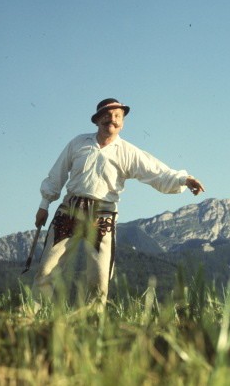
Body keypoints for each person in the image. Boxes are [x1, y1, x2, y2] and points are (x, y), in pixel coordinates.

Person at [32, 98, 205, 309]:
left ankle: (92, 319)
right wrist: (44, 204)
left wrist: (184, 180)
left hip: (102, 215)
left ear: (122, 122)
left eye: (117, 116)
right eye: (107, 115)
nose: (112, 120)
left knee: (100, 274)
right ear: (97, 120)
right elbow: (56, 174)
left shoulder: (127, 151)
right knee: (47, 267)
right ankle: (33, 312)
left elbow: (156, 171)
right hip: (70, 210)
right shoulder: (79, 143)